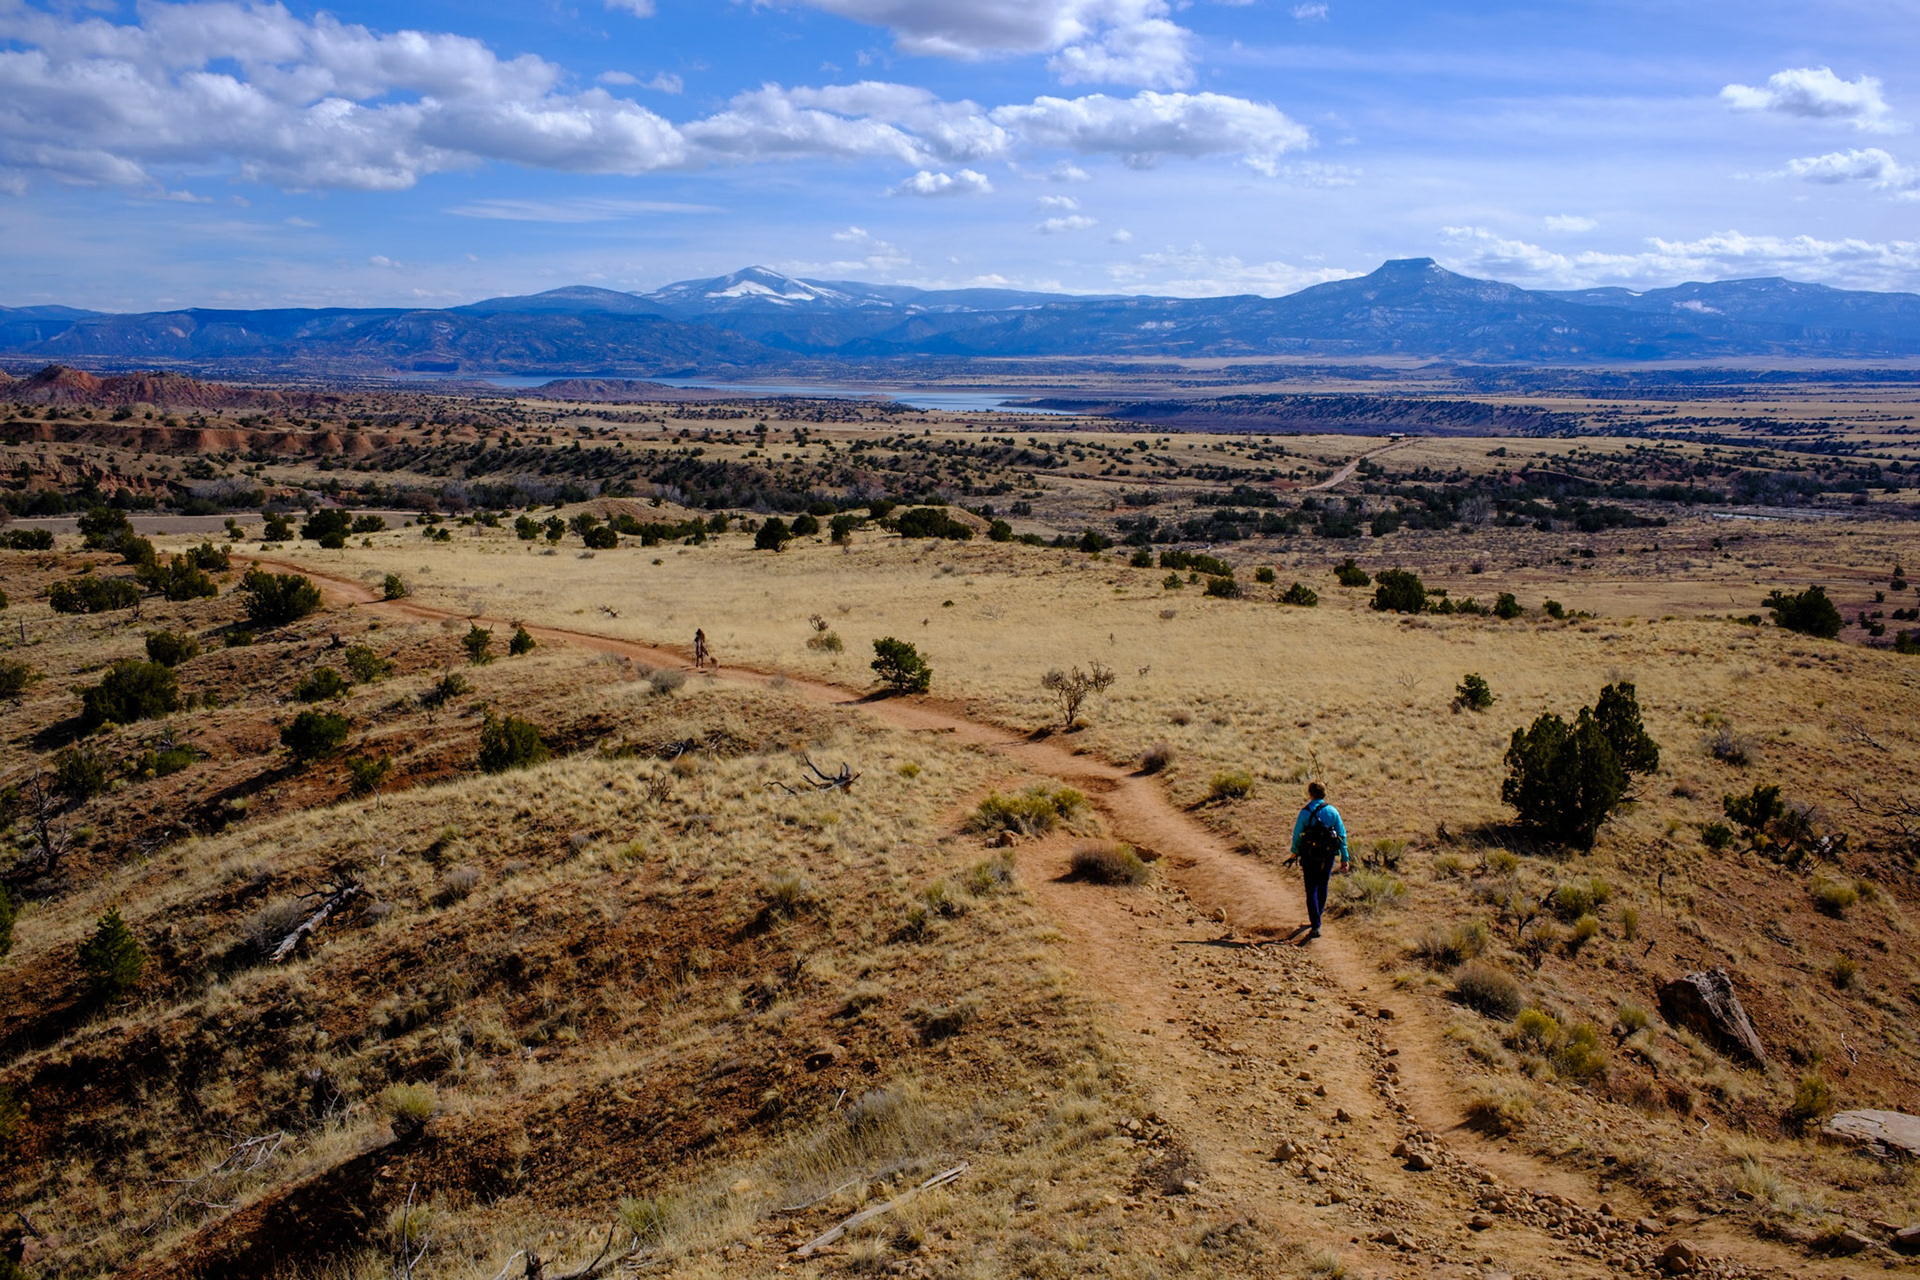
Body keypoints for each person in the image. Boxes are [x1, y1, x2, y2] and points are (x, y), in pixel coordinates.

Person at [1289, 781, 1350, 939]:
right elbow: (1341, 836)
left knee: (1311, 888)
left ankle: (1315, 924)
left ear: (1310, 794)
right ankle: (1318, 913)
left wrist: (1294, 852)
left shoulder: (1305, 812)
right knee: (1323, 884)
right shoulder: (1332, 811)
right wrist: (1345, 857)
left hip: (1309, 856)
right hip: (1327, 855)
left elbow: (1297, 835)